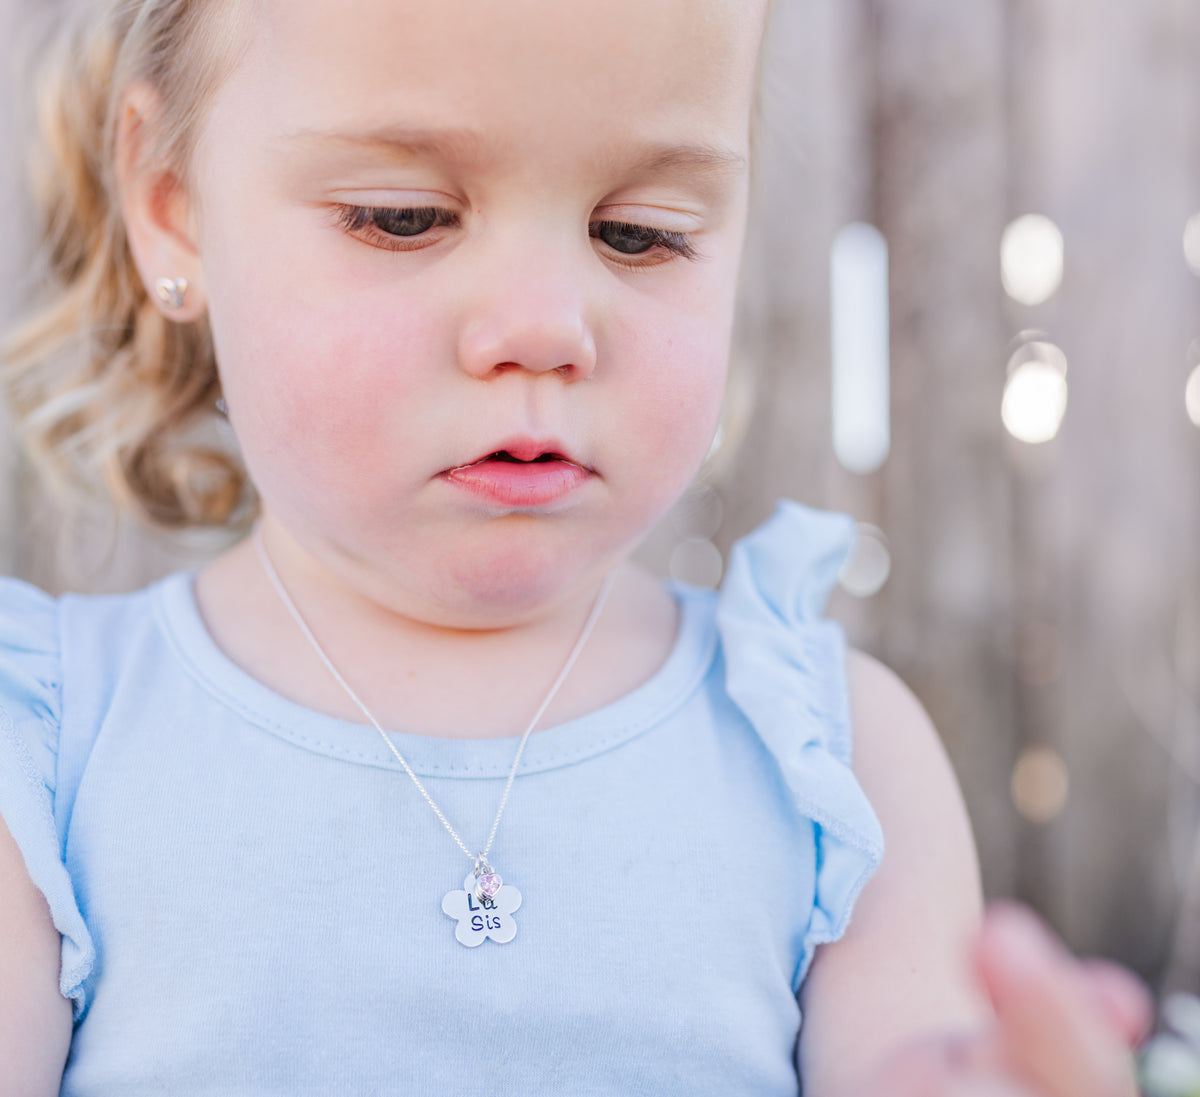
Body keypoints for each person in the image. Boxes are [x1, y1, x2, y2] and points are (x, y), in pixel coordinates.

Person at [0, 0, 1151, 1093]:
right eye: (403, 215)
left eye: (638, 233)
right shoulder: (49, 762)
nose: (546, 323)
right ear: (171, 201)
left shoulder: (836, 770)